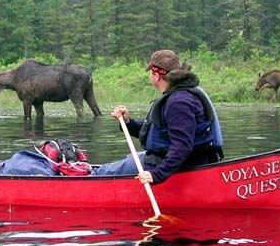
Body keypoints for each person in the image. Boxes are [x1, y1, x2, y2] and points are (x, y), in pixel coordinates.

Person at [93, 49, 223, 184]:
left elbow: (182, 147)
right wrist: (127, 121)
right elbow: (159, 134)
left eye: (150, 73)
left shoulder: (179, 102)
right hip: (166, 160)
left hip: (176, 165)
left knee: (100, 173)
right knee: (127, 160)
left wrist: (156, 175)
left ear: (156, 75)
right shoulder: (178, 96)